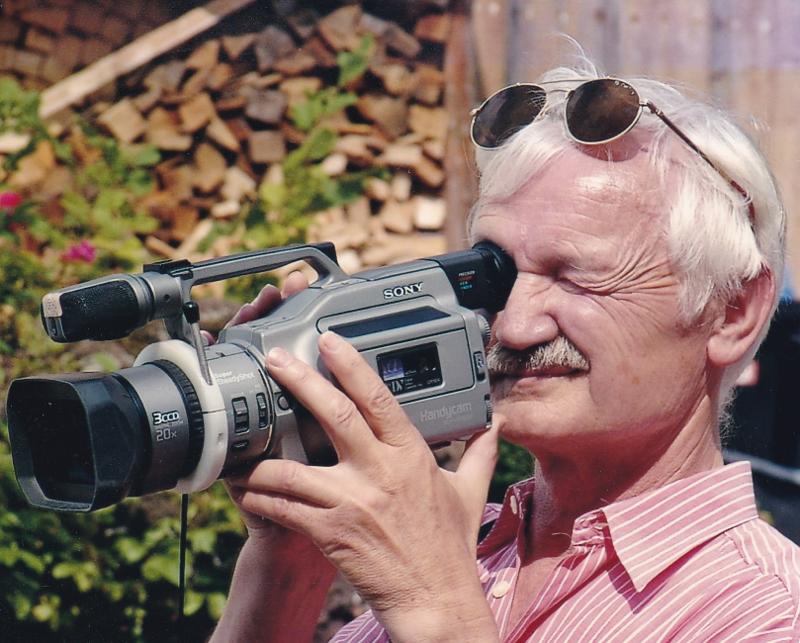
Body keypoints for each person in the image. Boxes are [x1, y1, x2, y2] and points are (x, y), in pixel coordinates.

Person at [210, 58, 800, 642]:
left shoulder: (765, 611)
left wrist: (433, 607)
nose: (513, 327)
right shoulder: (449, 550)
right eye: (493, 275)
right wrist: (286, 558)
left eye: (578, 278)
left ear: (732, 312)